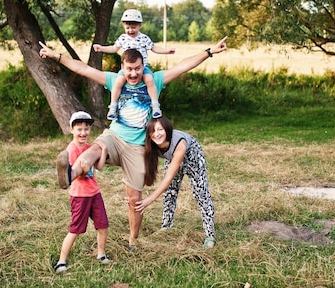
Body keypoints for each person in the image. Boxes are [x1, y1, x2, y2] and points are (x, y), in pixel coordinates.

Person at [39, 36, 228, 250]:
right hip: (115, 137)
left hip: (138, 147)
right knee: (94, 150)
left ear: (143, 66)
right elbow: (83, 69)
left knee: (133, 198)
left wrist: (209, 51)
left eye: (137, 69)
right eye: (129, 69)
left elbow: (182, 67)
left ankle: (133, 240)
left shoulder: (154, 80)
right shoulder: (114, 80)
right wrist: (56, 56)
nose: (133, 73)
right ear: (122, 67)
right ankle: (69, 175)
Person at [134, 117, 216, 248]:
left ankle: (210, 235)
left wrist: (149, 200)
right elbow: (140, 168)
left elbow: (168, 178)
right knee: (169, 194)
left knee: (201, 193)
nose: (157, 134)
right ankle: (166, 226)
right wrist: (133, 191)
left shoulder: (180, 145)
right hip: (172, 157)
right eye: (153, 131)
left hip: (192, 155)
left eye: (160, 129)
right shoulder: (150, 144)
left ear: (167, 129)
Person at [53, 111, 111, 273]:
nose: (83, 133)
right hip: (80, 195)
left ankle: (101, 255)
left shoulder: (88, 147)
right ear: (71, 129)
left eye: (86, 129)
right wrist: (83, 172)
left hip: (94, 193)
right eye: (79, 129)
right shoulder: (70, 150)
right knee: (76, 229)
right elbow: (80, 175)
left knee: (103, 225)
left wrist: (103, 149)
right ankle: (61, 261)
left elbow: (98, 167)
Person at [93, 9, 175, 121]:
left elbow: (154, 48)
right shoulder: (122, 38)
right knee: (118, 82)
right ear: (123, 26)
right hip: (127, 69)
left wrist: (166, 51)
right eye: (127, 28)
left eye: (133, 27)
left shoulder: (144, 38)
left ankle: (155, 106)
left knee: (149, 80)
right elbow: (113, 48)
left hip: (143, 67)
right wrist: (101, 48)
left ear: (140, 25)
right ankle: (113, 106)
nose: (130, 30)